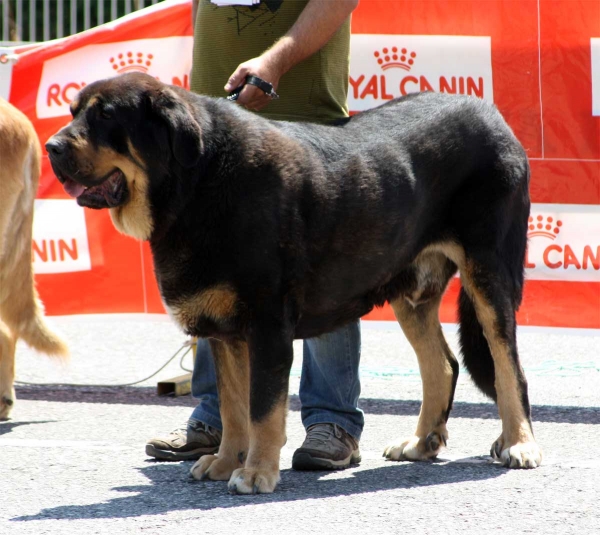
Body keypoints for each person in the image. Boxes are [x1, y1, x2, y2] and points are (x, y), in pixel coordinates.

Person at [146, 0, 363, 471]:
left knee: (322, 270)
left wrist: (274, 61)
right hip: (211, 126)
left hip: (303, 117)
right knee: (209, 276)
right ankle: (218, 420)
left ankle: (333, 420)